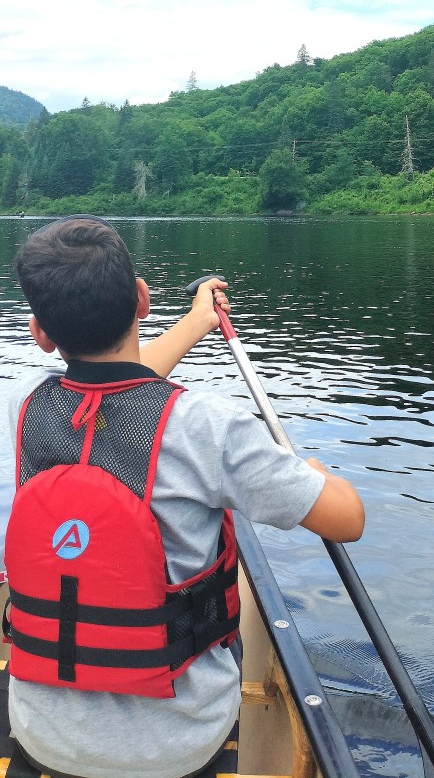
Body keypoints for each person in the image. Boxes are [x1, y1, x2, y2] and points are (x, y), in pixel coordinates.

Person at [2, 216, 364, 778]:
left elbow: (122, 391)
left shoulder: (25, 407)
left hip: (45, 735)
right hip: (174, 747)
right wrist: (312, 472)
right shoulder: (209, 426)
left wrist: (195, 323)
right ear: (141, 299)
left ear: (40, 334)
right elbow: (346, 521)